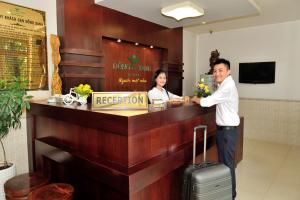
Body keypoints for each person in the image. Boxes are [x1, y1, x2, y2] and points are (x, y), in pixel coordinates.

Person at [191, 58, 240, 200]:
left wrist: (195, 99)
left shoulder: (227, 86)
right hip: (225, 130)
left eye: (220, 70)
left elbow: (207, 102)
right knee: (225, 165)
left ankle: (230, 195)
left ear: (228, 71)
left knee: (227, 166)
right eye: (215, 71)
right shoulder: (224, 84)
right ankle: (228, 193)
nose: (217, 73)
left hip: (227, 131)